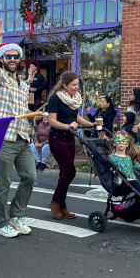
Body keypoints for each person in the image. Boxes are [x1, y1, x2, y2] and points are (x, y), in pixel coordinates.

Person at [0, 18, 36, 238]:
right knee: (3, 182)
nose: (13, 59)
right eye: (8, 56)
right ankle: (2, 222)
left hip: (23, 137)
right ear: (2, 58)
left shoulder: (22, 84)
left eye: (16, 56)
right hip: (4, 138)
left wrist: (35, 118)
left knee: (30, 177)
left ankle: (16, 214)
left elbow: (23, 106)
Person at [47, 71, 95, 220]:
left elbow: (77, 117)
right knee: (70, 172)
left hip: (69, 137)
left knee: (64, 173)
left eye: (77, 84)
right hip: (57, 138)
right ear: (65, 85)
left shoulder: (74, 99)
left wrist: (92, 125)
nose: (76, 87)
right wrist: (67, 125)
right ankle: (54, 201)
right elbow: (52, 121)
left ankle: (62, 205)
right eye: (73, 85)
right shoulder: (55, 99)